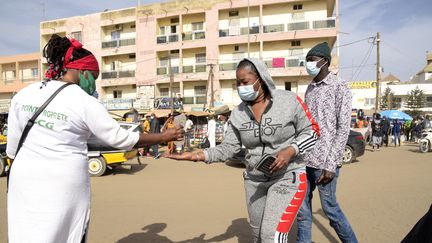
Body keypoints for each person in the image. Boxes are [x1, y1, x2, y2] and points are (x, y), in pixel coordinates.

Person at [5, 35, 183, 243]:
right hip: (61, 184)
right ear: (81, 71)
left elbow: (13, 148)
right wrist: (163, 136)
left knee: (26, 233)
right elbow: (120, 138)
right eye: (93, 76)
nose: (94, 84)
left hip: (23, 178)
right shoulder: (84, 102)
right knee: (62, 234)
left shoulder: (25, 94)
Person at [167, 58, 320, 243]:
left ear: (260, 79)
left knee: (271, 236)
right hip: (254, 181)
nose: (240, 87)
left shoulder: (289, 101)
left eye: (245, 82)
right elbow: (228, 148)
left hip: (288, 176)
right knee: (257, 236)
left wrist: (291, 150)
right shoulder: (238, 114)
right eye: (238, 83)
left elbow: (313, 131)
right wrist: (197, 155)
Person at [296, 42, 358, 243]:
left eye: (312, 60)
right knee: (303, 211)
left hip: (325, 163)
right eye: (307, 61)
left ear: (324, 62)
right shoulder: (310, 88)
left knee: (330, 209)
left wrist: (331, 164)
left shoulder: (340, 87)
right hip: (305, 161)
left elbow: (342, 129)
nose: (309, 65)